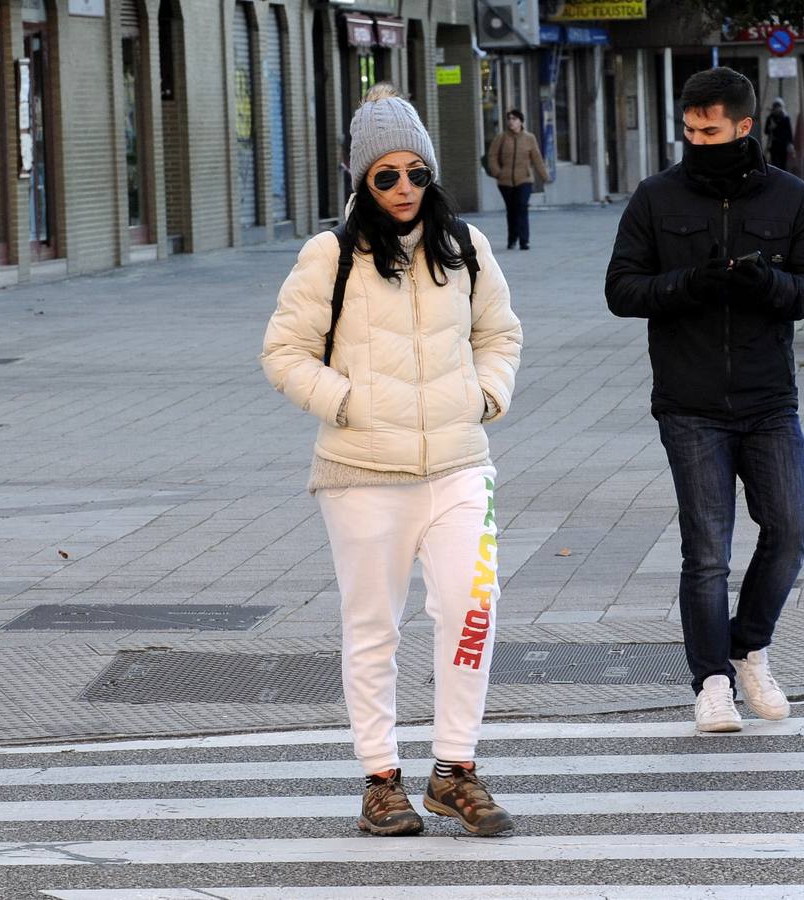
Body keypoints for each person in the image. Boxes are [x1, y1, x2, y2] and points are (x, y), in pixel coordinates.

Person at [261, 83, 523, 837]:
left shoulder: (465, 248)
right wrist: (345, 403)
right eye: (387, 176)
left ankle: (456, 770)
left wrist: (485, 398)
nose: (405, 188)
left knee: (473, 610)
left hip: (459, 467)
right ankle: (381, 780)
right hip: (361, 477)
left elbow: (500, 334)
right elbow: (283, 352)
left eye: (417, 173)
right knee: (374, 627)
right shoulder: (329, 255)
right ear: (361, 181)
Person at [604, 67, 804, 733]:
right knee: (706, 549)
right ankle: (710, 683)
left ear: (741, 127)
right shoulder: (655, 198)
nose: (696, 140)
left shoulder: (790, 198)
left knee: (790, 529)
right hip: (689, 402)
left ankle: (747, 648)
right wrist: (689, 285)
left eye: (708, 130)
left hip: (768, 398)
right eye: (688, 130)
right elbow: (622, 289)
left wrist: (767, 284)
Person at [487, 109, 549, 250]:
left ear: (521, 121)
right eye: (509, 119)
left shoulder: (529, 138)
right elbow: (492, 155)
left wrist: (544, 176)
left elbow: (537, 158)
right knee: (511, 210)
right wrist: (498, 172)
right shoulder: (501, 138)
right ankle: (512, 238)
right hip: (505, 181)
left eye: (514, 119)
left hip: (524, 179)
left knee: (522, 207)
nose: (511, 121)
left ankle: (524, 240)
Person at [763, 98, 794, 171]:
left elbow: (789, 131)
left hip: (783, 145)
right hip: (774, 145)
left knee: (783, 165)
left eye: (778, 107)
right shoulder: (770, 118)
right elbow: (766, 131)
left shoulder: (785, 118)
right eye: (775, 107)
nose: (777, 109)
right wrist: (770, 127)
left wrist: (790, 143)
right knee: (775, 164)